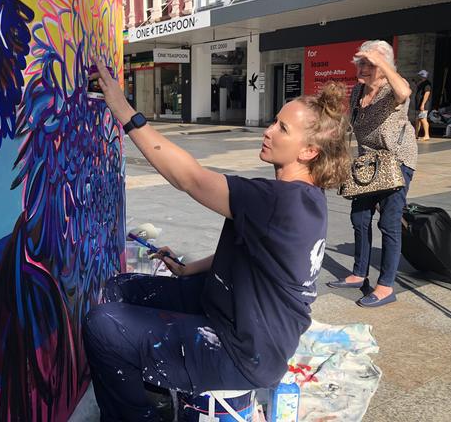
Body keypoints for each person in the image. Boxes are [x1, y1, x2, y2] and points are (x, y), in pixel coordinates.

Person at [82, 57, 350, 421]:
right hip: (235, 316)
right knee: (121, 287)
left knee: (102, 325)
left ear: (309, 151)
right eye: (273, 121)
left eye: (282, 129)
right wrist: (188, 268)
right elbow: (252, 254)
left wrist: (123, 108)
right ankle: (157, 392)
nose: (268, 130)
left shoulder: (279, 202)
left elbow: (189, 178)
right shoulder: (307, 198)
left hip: (239, 351)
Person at [327, 40, 418, 308]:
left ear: (385, 66)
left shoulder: (392, 89)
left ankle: (386, 285)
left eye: (370, 64)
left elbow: (404, 90)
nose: (364, 68)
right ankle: (359, 273)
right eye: (361, 63)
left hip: (397, 162)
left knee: (388, 223)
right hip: (369, 164)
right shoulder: (357, 91)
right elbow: (351, 126)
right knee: (359, 218)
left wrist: (383, 64)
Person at [414, 69, 433, 140]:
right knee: (417, 120)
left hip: (423, 105)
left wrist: (423, 104)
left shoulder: (427, 84)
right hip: (419, 105)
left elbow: (427, 93)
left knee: (423, 119)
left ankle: (427, 135)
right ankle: (416, 135)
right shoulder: (421, 83)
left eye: (419, 75)